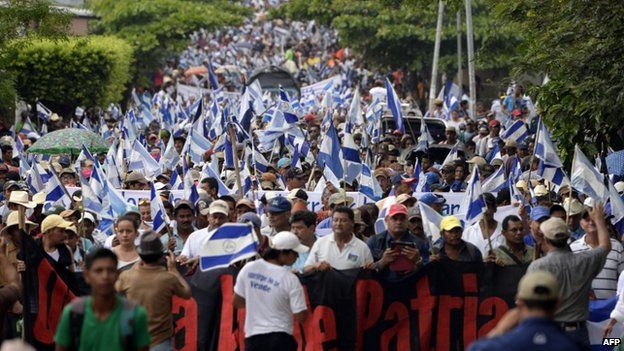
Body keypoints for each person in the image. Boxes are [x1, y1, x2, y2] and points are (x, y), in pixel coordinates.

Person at [490, 205, 611, 348]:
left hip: (548, 333)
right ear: (567, 237)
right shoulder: (585, 260)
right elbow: (605, 246)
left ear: (545, 240)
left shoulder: (538, 267)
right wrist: (599, 221)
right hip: (578, 333)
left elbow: (524, 304)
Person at [54, 248, 151, 351]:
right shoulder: (73, 313)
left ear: (117, 275)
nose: (105, 276)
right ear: (87, 275)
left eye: (110, 270)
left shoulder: (135, 314)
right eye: (98, 271)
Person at [467, 271, 581, 351]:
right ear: (558, 304)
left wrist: (498, 331)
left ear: (519, 301)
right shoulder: (574, 346)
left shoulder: (495, 346)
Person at [233, 231, 308, 351]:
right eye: (296, 253)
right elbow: (301, 317)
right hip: (281, 339)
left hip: (253, 339)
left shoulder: (249, 268)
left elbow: (237, 302)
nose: (297, 257)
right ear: (284, 253)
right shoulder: (290, 279)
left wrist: (258, 300)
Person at [116, 232, 192, 350]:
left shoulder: (127, 276)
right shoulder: (168, 278)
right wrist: (174, 270)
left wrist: (136, 265)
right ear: (160, 255)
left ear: (140, 254)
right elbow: (186, 293)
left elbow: (115, 290)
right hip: (161, 341)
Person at [570, 206, 624, 299]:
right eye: (587, 220)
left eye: (595, 219)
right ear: (581, 224)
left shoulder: (616, 246)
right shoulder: (572, 248)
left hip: (612, 309)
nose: (591, 222)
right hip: (585, 309)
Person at [303, 206, 373, 273]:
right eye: (335, 220)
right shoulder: (320, 243)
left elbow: (369, 272)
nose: (338, 224)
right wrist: (315, 266)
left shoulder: (362, 248)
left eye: (343, 221)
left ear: (352, 223)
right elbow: (305, 269)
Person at [367, 204, 427, 279]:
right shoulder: (374, 241)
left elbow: (428, 273)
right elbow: (366, 271)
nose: (399, 222)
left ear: (407, 221)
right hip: (381, 287)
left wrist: (418, 262)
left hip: (410, 286)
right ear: (386, 220)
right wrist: (383, 261)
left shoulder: (419, 243)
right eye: (394, 219)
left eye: (402, 219)